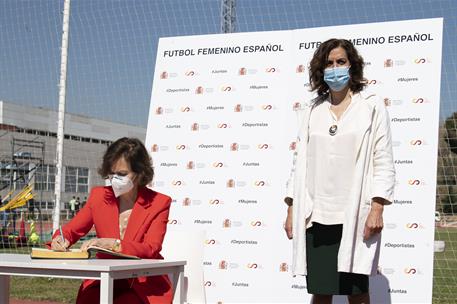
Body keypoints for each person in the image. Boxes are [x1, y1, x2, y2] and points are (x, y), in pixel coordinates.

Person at [284, 39, 395, 304]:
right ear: (320, 70)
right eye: (329, 64)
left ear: (352, 65)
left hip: (355, 213)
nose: (335, 69)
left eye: (341, 62)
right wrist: (291, 208)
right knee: (320, 291)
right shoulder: (312, 110)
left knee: (357, 293)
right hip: (316, 215)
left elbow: (383, 157)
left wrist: (377, 208)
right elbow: (299, 163)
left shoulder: (370, 105)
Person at [50, 137, 173, 303]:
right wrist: (61, 238)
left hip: (142, 284)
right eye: (112, 173)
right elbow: (71, 230)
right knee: (88, 300)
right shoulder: (98, 196)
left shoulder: (159, 202)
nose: (115, 179)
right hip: (104, 279)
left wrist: (113, 244)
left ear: (140, 172)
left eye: (122, 174)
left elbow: (151, 248)